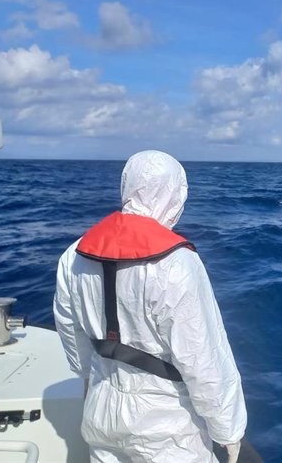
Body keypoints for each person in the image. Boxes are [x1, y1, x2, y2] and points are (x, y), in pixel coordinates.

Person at [54, 150, 246, 463]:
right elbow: (203, 357)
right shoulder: (177, 263)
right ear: (175, 194)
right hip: (165, 423)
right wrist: (228, 430)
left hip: (101, 407)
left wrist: (89, 381)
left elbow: (70, 332)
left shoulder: (73, 255)